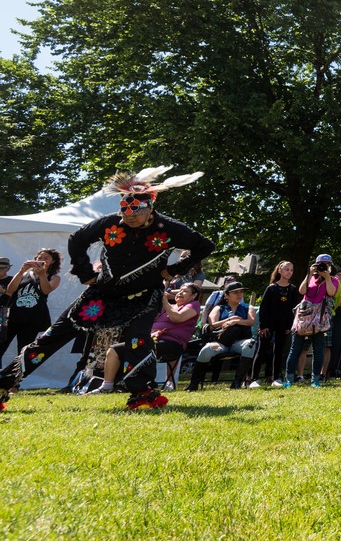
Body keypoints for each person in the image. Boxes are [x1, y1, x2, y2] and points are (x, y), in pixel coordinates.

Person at [0, 167, 211, 411]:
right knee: (55, 335)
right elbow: (77, 239)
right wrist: (86, 273)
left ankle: (142, 392)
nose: (129, 218)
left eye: (135, 213)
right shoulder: (111, 223)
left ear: (149, 209)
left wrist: (175, 269)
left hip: (142, 296)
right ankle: (4, 383)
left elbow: (204, 245)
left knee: (137, 340)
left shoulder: (169, 228)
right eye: (125, 212)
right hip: (101, 294)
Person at [89, 283, 201, 399]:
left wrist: (165, 302)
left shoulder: (194, 305)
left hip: (171, 345)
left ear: (193, 295)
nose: (180, 293)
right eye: (179, 290)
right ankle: (107, 386)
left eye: (185, 291)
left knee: (138, 348)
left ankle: (135, 384)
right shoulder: (169, 307)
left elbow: (177, 318)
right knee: (114, 350)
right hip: (150, 341)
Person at [188, 281, 256, 390]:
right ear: (226, 295)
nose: (239, 295)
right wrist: (228, 320)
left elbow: (251, 321)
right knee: (206, 350)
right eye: (235, 292)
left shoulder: (248, 307)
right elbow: (212, 325)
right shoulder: (219, 308)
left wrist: (235, 321)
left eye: (241, 292)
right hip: (221, 341)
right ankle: (193, 384)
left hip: (239, 342)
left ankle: (237, 383)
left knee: (250, 344)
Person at [284, 256, 340, 388]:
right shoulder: (311, 277)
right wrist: (309, 274)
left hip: (320, 318)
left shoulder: (333, 280)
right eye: (320, 264)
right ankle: (289, 378)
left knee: (318, 349)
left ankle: (315, 379)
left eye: (327, 264)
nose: (323, 266)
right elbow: (302, 291)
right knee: (295, 348)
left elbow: (331, 292)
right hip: (304, 317)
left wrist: (327, 277)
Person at [1, 249, 62, 358]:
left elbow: (46, 290)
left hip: (32, 318)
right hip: (13, 315)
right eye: (40, 258)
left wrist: (42, 275)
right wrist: (21, 271)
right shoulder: (24, 274)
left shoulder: (54, 277)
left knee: (23, 352)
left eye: (46, 258)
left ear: (53, 261)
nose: (42, 260)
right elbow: (10, 290)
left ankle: (18, 369)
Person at [253, 260, 301, 387]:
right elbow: (263, 308)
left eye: (291, 270)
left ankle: (276, 379)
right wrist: (263, 326)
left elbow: (293, 309)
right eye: (286, 269)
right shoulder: (271, 288)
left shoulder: (293, 289)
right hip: (268, 325)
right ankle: (254, 379)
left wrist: (289, 326)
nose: (289, 272)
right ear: (280, 271)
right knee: (261, 350)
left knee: (279, 351)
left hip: (283, 325)